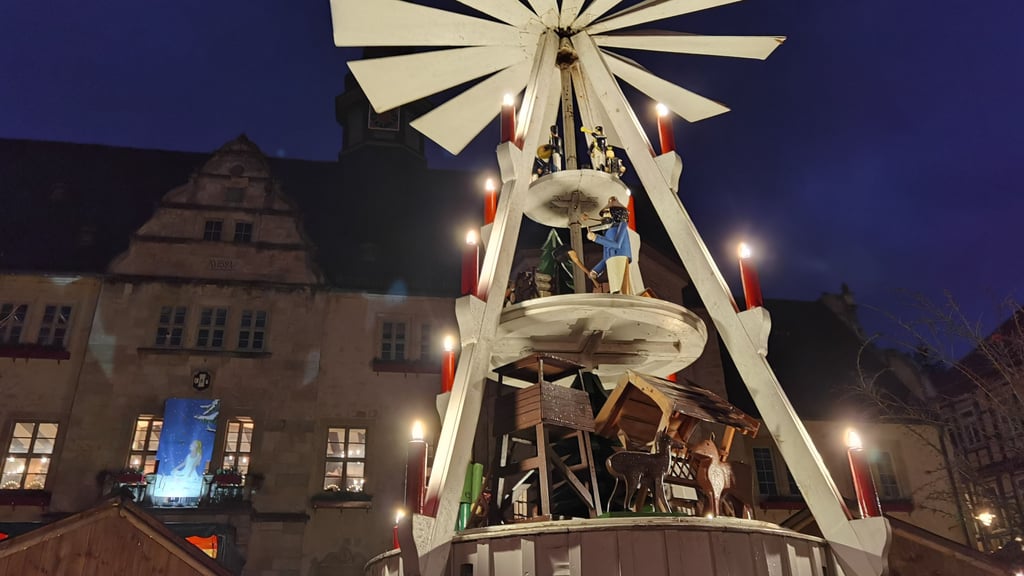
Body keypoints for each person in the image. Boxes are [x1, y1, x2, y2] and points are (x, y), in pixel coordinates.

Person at [586, 197, 632, 295]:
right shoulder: (607, 233)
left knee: (621, 287)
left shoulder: (622, 225)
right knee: (614, 287)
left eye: (607, 213)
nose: (604, 216)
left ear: (616, 213)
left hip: (620, 258)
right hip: (611, 261)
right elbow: (606, 256)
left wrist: (596, 238)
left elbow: (617, 245)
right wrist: (596, 270)